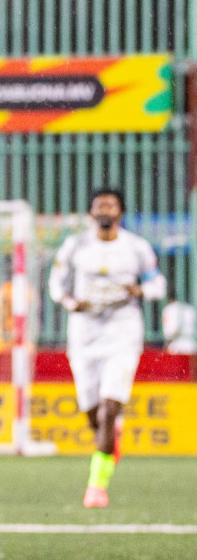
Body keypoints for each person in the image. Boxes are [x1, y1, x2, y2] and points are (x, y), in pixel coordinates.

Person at [48, 188, 166, 508]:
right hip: (84, 334)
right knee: (92, 414)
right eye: (99, 205)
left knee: (109, 408)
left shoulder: (136, 248)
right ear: (91, 214)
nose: (105, 210)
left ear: (120, 213)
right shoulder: (75, 246)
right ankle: (114, 434)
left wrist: (139, 289)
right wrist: (70, 301)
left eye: (111, 205)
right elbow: (56, 284)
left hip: (122, 332)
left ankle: (96, 486)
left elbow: (158, 284)